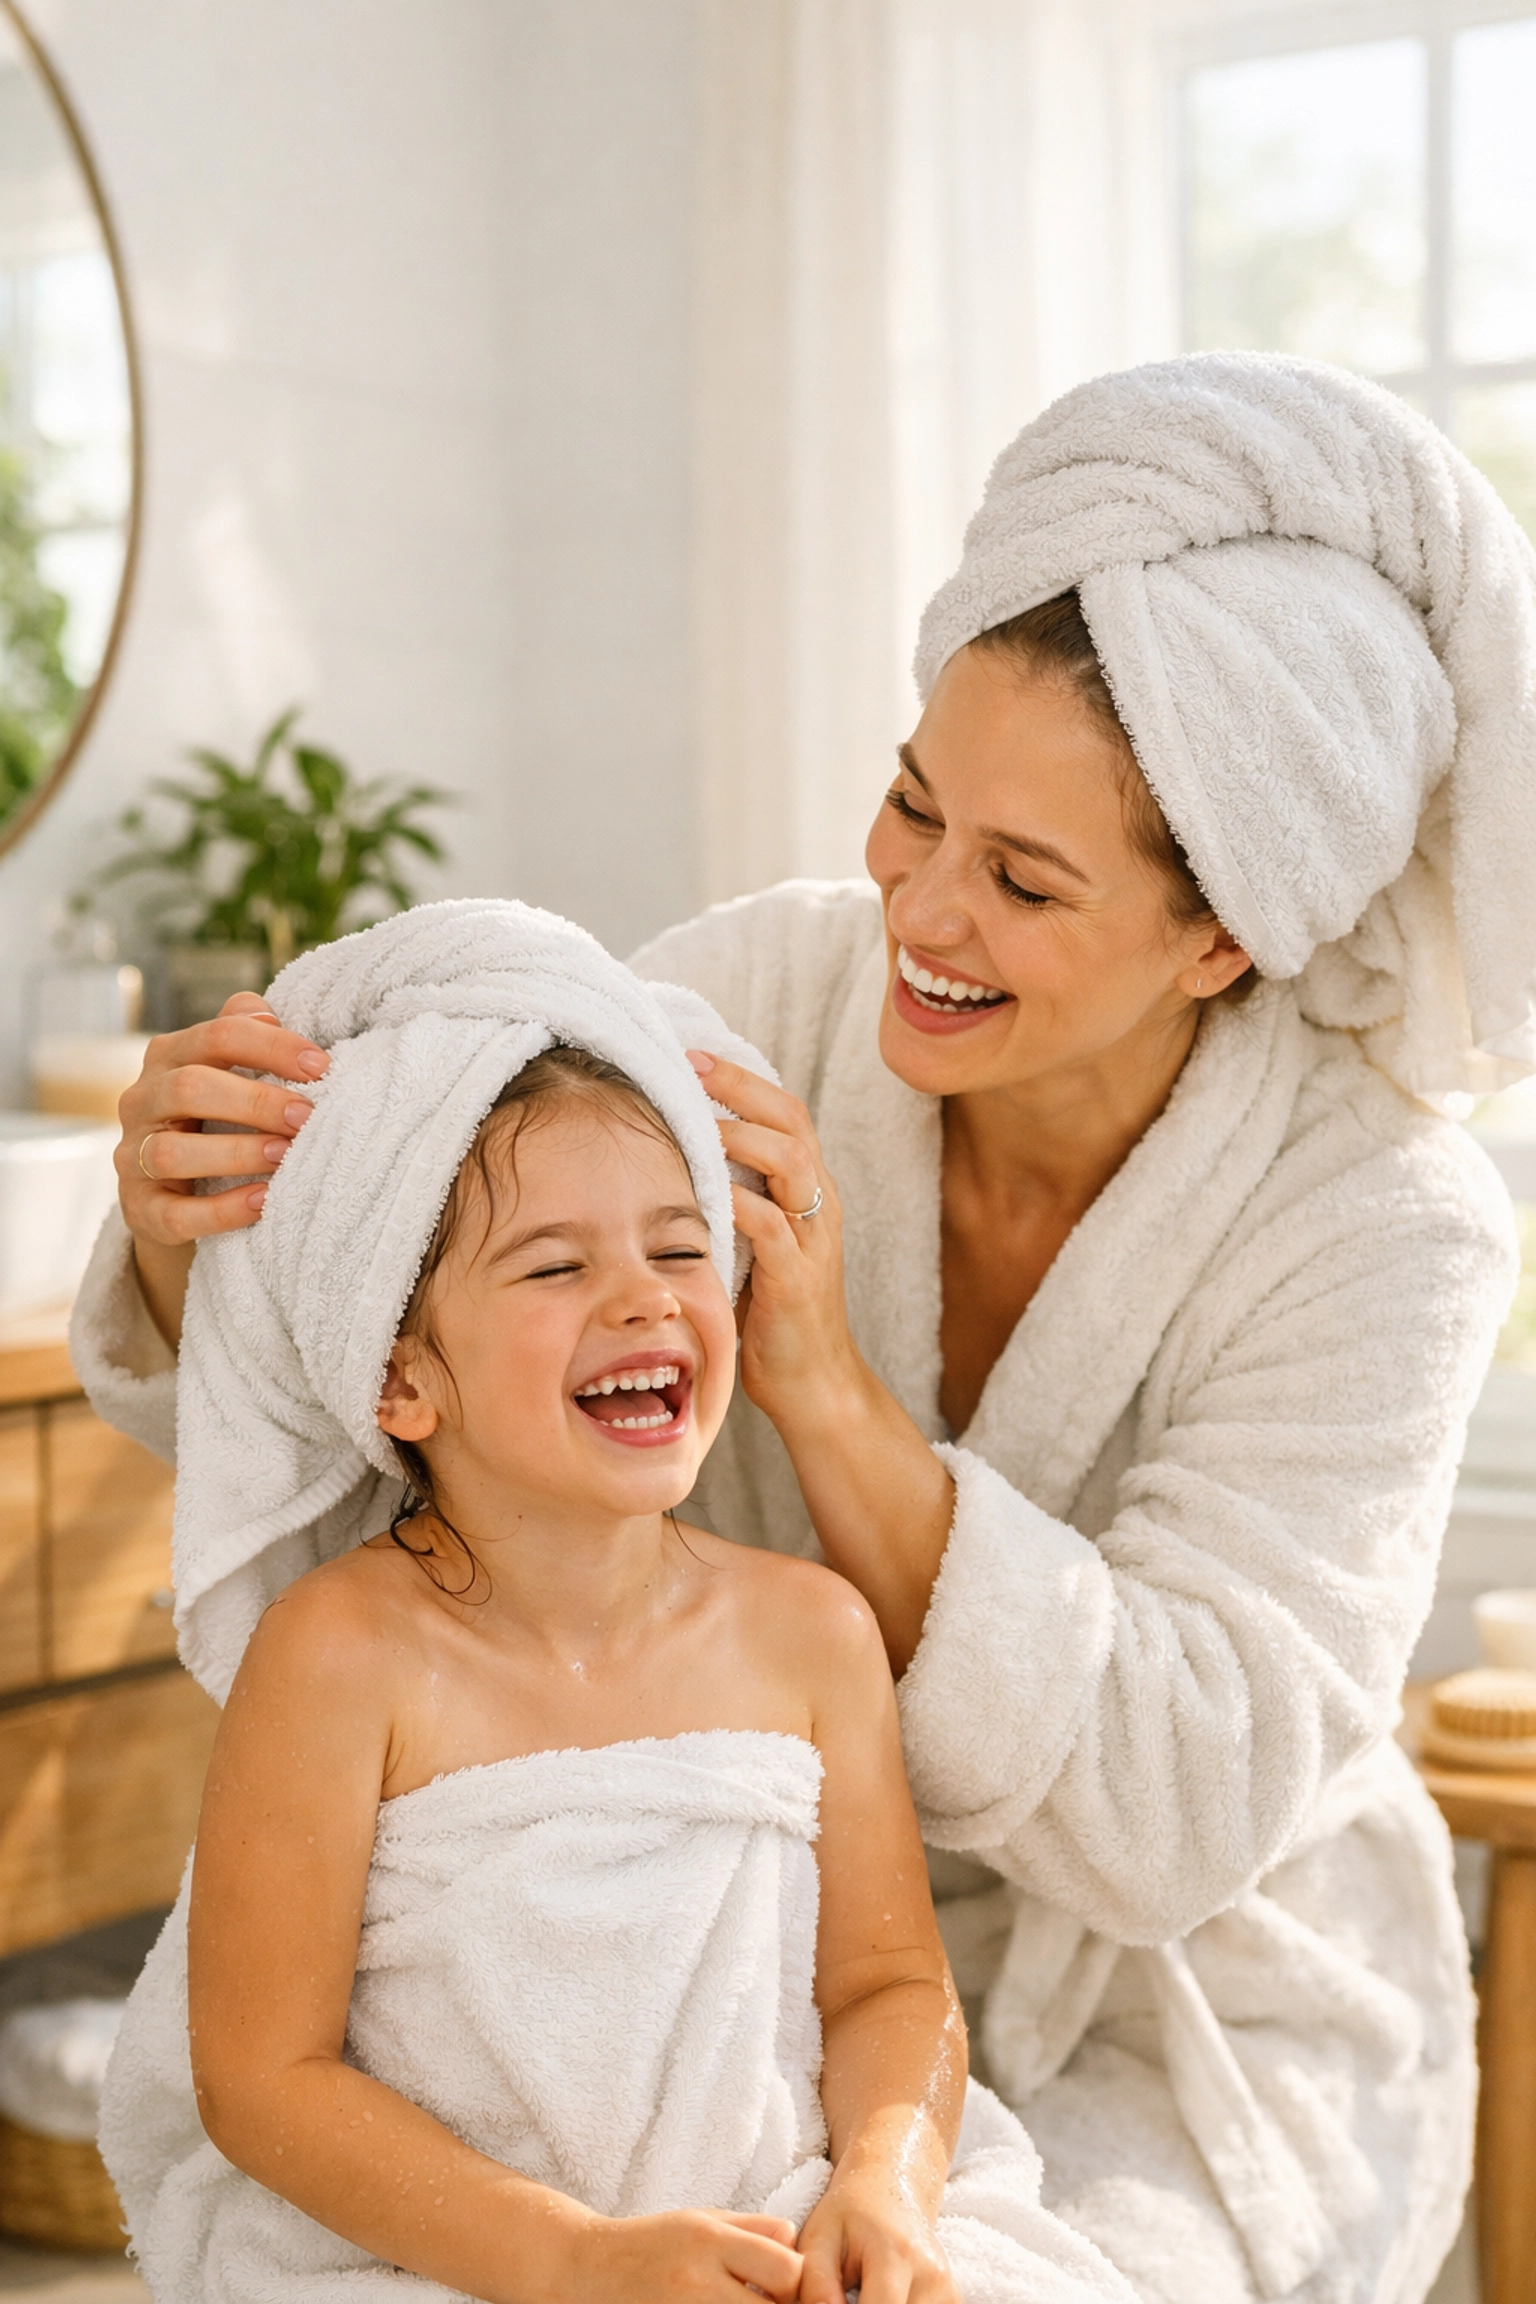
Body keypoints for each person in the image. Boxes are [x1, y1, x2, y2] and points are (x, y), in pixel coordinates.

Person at [76, 355, 1536, 2303]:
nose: (915, 910)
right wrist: (195, 1227)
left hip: (1155, 1981)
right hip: (685, 1933)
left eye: (1021, 880)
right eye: (913, 804)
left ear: (1221, 943)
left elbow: (1182, 1810)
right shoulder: (760, 989)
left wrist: (830, 1394)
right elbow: (401, 1316)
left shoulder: (1385, 1218)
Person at [98, 903, 1114, 2304]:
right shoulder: (342, 1656)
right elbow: (265, 2080)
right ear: (401, 1381)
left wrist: (882, 2180)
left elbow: (889, 1992)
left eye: (680, 1248)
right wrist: (572, 2260)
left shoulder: (808, 1636)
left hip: (774, 2224)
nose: (642, 1298)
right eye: (557, 1266)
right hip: (453, 2254)